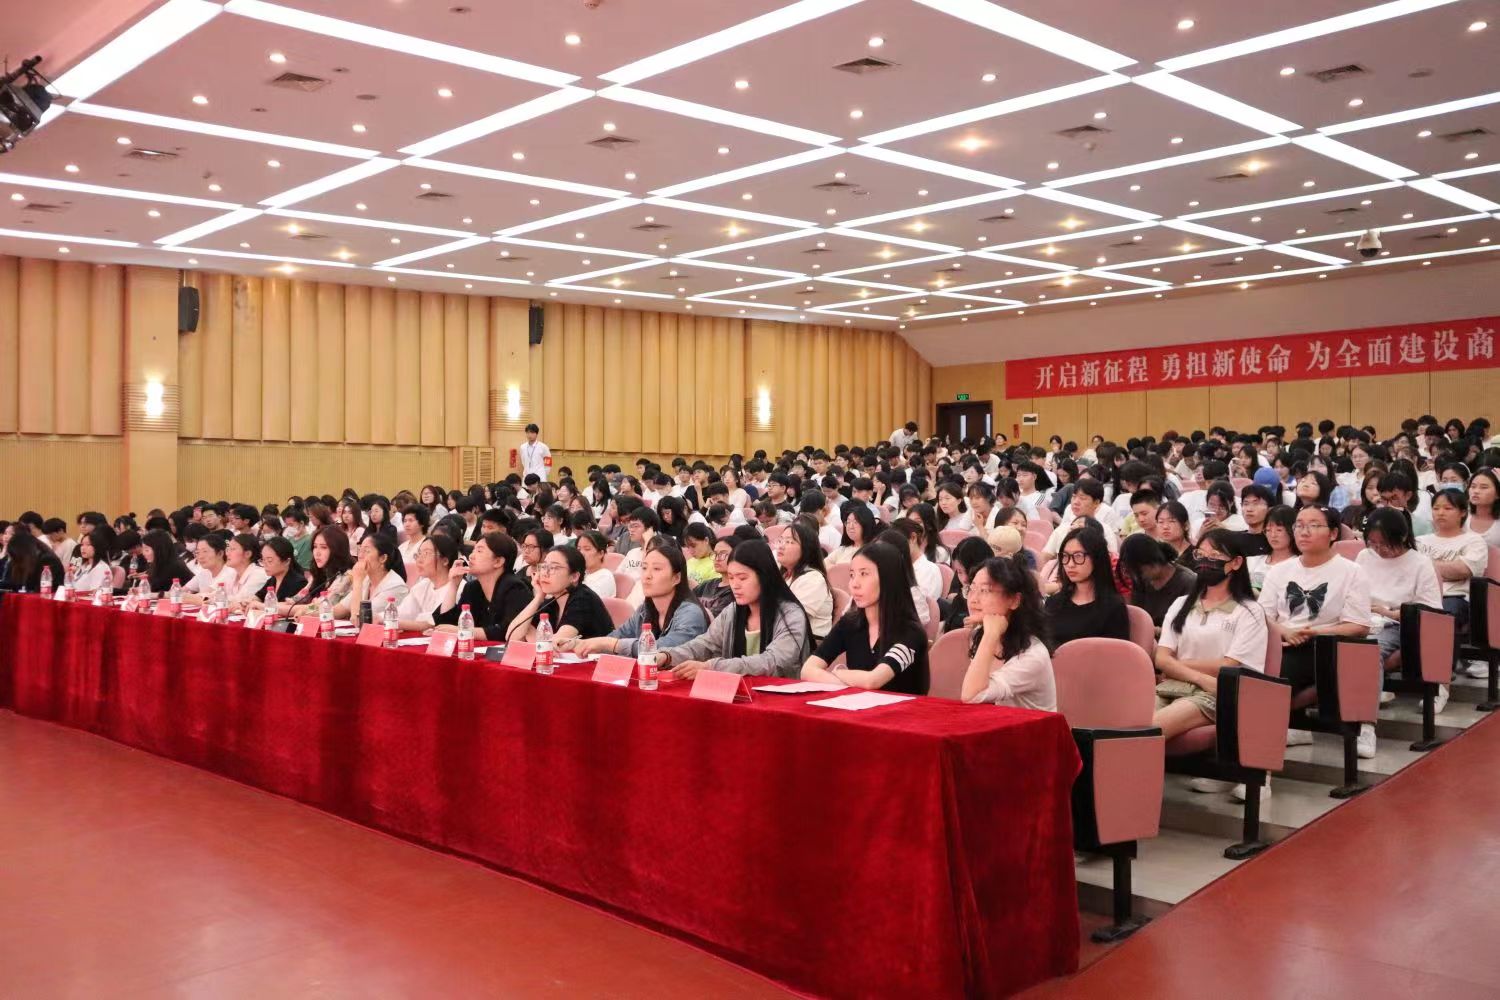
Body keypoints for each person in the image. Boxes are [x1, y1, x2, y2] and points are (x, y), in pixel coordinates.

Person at [1154, 530, 1269, 771]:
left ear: (1236, 563)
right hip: (1174, 686)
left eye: (1215, 555)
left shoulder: (1249, 611)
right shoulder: (1181, 604)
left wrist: (1177, 666)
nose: (1206, 561)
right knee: (1125, 727)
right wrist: (1199, 677)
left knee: (1149, 728)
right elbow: (1161, 658)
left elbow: (1227, 666)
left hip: (1218, 693)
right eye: (1200, 554)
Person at [1259, 505, 1372, 749]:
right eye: (1299, 525)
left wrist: (1313, 632)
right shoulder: (1279, 571)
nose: (1304, 531)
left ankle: (1257, 751)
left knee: (1268, 679)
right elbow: (1262, 616)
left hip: (1321, 647)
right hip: (1280, 641)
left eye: (1313, 525)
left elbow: (1359, 626)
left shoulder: (1352, 572)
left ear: (1333, 533)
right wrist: (1285, 632)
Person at [653, 539, 811, 679]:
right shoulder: (733, 611)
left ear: (764, 577)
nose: (735, 585)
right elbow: (705, 644)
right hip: (738, 694)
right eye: (731, 577)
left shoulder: (790, 614)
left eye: (742, 578)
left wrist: (712, 667)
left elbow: (774, 661)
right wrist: (667, 656)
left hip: (780, 696)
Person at [800, 540, 930, 695]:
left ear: (889, 578)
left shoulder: (911, 632)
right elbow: (808, 670)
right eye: (852, 575)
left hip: (902, 709)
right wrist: (846, 684)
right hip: (856, 706)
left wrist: (839, 673)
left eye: (864, 574)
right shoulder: (850, 623)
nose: (854, 584)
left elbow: (872, 681)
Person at [565, 545, 708, 656]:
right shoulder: (644, 610)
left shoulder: (691, 613)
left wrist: (612, 644)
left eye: (656, 569)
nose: (647, 576)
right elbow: (617, 636)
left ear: (676, 578)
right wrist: (580, 644)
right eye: (644, 568)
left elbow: (664, 649)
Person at [959, 554, 1055, 710]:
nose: (973, 599)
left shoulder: (1032, 655)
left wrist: (990, 636)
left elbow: (971, 696)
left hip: (1030, 725)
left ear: (1014, 600)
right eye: (972, 589)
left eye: (985, 590)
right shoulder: (980, 635)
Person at [1356, 508, 1441, 675]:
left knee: (1369, 651)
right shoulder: (1365, 556)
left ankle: (1366, 690)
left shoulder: (1420, 563)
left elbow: (1431, 611)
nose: (1379, 549)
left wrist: (1389, 613)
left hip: (1396, 624)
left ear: (1402, 537)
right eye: (1373, 543)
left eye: (1385, 543)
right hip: (1363, 620)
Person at [1416, 489, 1489, 639]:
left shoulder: (1474, 541)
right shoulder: (1420, 541)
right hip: (1420, 596)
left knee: (1442, 615)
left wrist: (1424, 567)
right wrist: (1443, 569)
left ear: (1463, 512)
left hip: (1455, 598)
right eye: (1436, 508)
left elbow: (1462, 570)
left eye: (1447, 508)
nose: (1440, 513)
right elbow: (1409, 571)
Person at [1044, 524, 1130, 648]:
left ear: (1096, 558)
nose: (1070, 564)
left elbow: (1117, 653)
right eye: (1065, 556)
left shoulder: (1113, 607)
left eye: (1078, 556)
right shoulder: (1053, 603)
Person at [433, 533, 531, 640]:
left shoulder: (515, 588)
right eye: (473, 550)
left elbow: (507, 631)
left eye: (479, 551)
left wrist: (465, 631)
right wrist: (453, 585)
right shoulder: (472, 588)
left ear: (498, 562)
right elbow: (446, 625)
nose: (471, 556)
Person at [510, 545, 615, 644]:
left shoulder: (583, 598)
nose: (545, 573)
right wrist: (538, 597)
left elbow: (557, 644)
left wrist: (533, 637)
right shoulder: (553, 602)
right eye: (544, 566)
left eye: (554, 568)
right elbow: (512, 638)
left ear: (574, 577)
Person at [1118, 533, 1198, 632]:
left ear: (1153, 561)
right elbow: (1137, 614)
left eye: (1140, 571)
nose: (1137, 576)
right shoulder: (1141, 580)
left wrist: (1155, 631)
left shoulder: (1188, 582)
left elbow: (1188, 628)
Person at [777, 519, 834, 640]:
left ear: (806, 549)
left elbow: (793, 618)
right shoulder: (785, 575)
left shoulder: (814, 579)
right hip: (787, 638)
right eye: (780, 540)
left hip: (810, 642)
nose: (781, 546)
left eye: (789, 542)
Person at [391, 533, 458, 631]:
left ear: (445, 561)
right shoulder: (422, 585)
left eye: (426, 553)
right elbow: (402, 613)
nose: (419, 560)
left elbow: (432, 623)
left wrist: (389, 622)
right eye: (418, 554)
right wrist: (380, 618)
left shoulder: (458, 588)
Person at [287, 525, 357, 617]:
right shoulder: (321, 572)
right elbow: (295, 600)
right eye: (315, 547)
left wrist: (277, 608)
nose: (317, 553)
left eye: (323, 547)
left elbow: (321, 607)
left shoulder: (347, 576)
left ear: (337, 550)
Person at [334, 533, 408, 621]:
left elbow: (360, 620)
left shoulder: (395, 586)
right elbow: (338, 610)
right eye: (359, 550)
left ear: (383, 558)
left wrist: (357, 581)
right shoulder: (367, 580)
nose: (360, 556)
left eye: (366, 551)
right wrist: (321, 612)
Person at [941, 536, 994, 633]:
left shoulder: (997, 601)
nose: (965, 579)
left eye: (969, 571)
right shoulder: (960, 598)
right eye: (959, 572)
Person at [180, 534, 237, 604]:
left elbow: (205, 598)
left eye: (205, 551)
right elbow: (180, 591)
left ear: (220, 553)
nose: (200, 557)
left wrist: (185, 596)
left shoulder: (230, 572)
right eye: (198, 552)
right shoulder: (204, 573)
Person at [693, 534, 738, 619]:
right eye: (715, 554)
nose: (717, 559)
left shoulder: (736, 590)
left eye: (723, 554)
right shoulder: (707, 584)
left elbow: (714, 619)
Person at [139, 529, 195, 595]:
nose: (143, 553)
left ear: (159, 550)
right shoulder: (156, 564)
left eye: (147, 550)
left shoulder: (174, 566)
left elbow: (157, 592)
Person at [827, 502, 877, 566]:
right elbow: (824, 564)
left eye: (855, 522)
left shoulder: (872, 551)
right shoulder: (843, 549)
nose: (851, 526)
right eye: (848, 522)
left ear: (866, 525)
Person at [71, 528, 115, 594]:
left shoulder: (100, 567)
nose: (83, 548)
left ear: (97, 547)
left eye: (88, 545)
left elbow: (95, 593)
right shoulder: (85, 565)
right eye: (82, 544)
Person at [576, 530, 616, 598]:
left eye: (587, 549)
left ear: (601, 553)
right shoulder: (580, 573)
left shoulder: (605, 577)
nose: (581, 553)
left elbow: (587, 601)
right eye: (579, 549)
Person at [1467, 469, 1500, 547]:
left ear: (1498, 494)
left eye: (1484, 487)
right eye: (1473, 486)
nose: (1476, 491)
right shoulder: (1462, 516)